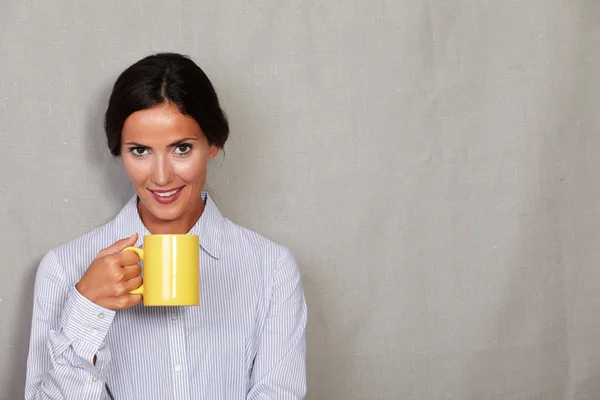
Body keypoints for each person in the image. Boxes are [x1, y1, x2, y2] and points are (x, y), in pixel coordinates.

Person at [24, 52, 307, 399]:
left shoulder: (271, 268)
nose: (161, 177)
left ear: (213, 144)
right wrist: (87, 309)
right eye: (140, 151)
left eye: (182, 148)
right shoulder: (65, 268)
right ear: (119, 151)